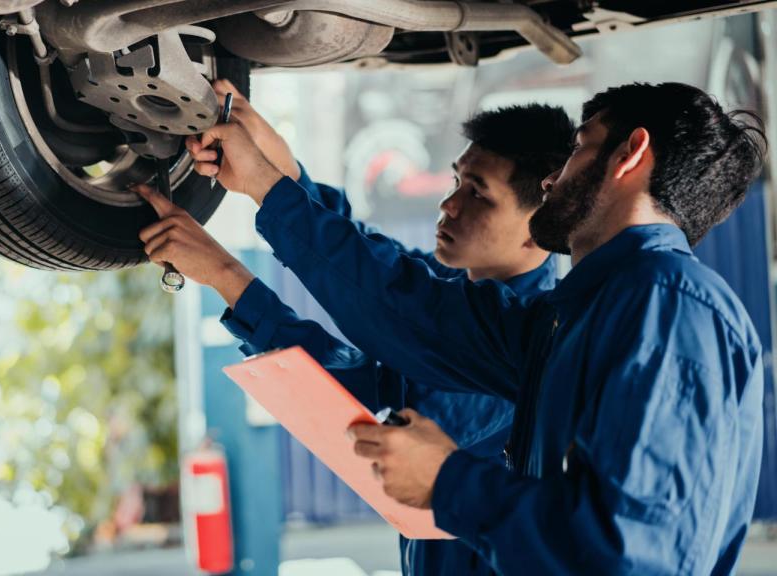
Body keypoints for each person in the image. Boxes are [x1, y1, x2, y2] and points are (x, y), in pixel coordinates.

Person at [168, 82, 766, 574]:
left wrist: (450, 482)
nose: (556, 179)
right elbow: (406, 304)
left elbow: (633, 555)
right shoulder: (574, 317)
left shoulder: (667, 309)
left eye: (582, 147)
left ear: (629, 157)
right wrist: (278, 184)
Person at [135, 82, 574, 575]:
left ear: (545, 215)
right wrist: (287, 173)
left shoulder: (530, 346)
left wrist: (231, 270)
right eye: (456, 181)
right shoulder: (457, 288)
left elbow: (369, 373)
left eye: (478, 194)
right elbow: (375, 266)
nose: (449, 205)